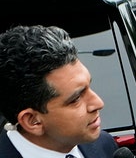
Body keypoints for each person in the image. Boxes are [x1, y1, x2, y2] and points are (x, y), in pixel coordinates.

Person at [0, 25, 118, 158]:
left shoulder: (104, 145)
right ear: (33, 121)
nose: (98, 103)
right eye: (76, 99)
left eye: (89, 86)